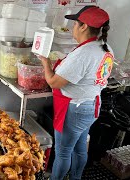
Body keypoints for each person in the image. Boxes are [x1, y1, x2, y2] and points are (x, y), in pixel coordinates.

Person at [38, 6, 113, 180]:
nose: (73, 28)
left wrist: (45, 63)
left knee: (63, 152)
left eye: (75, 24)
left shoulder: (83, 54)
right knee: (79, 148)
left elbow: (53, 81)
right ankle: (76, 178)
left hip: (76, 109)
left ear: (84, 26)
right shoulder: (105, 47)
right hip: (92, 104)